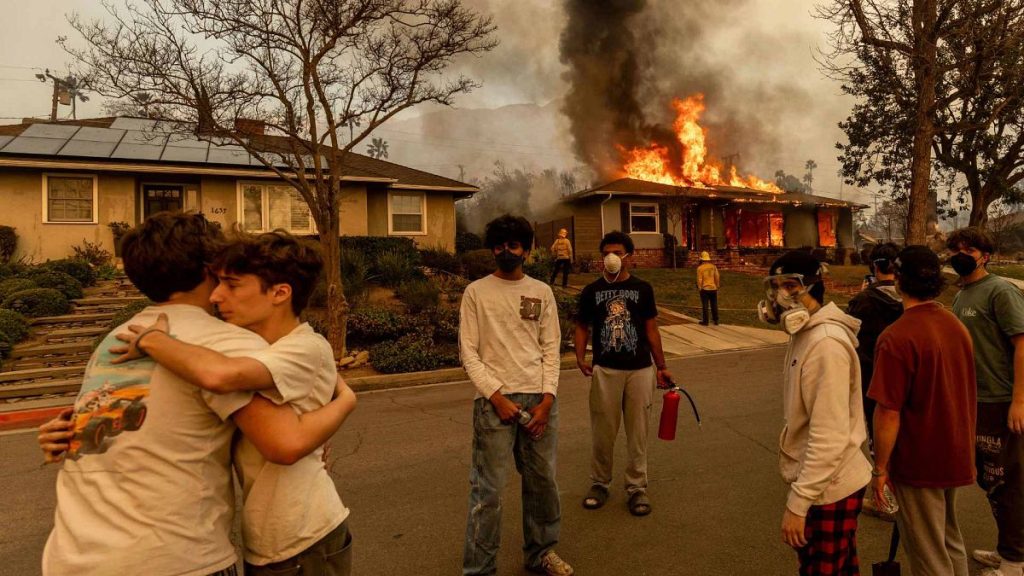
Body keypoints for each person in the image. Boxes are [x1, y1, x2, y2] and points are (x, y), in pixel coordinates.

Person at [36, 213, 352, 576]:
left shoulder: (118, 337)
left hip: (71, 555)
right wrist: (346, 401)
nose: (221, 292)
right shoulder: (228, 343)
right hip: (169, 558)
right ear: (209, 269)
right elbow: (285, 441)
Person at [459, 215, 572, 576]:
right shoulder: (476, 292)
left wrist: (548, 399)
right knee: (487, 494)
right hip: (494, 406)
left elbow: (550, 348)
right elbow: (469, 353)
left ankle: (541, 553)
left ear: (527, 249)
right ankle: (479, 569)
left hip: (539, 402)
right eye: (499, 244)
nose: (505, 251)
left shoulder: (542, 292)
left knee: (543, 486)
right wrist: (497, 397)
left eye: (513, 245)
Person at [758, 250, 872, 575]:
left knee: (821, 569)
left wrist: (799, 501)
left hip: (831, 486)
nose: (781, 295)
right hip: (825, 481)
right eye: (775, 286)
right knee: (841, 567)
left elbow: (829, 434)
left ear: (814, 286)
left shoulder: (825, 345)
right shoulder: (805, 335)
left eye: (791, 285)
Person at [868, 245, 976, 576]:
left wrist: (880, 469)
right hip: (955, 450)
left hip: (919, 459)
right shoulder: (954, 324)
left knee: (928, 554)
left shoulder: (897, 337)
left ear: (898, 280)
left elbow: (888, 411)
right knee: (948, 539)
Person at [575, 230, 672, 517]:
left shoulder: (643, 289)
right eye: (606, 253)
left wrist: (662, 366)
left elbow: (651, 329)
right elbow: (582, 326)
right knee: (603, 432)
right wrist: (581, 357)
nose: (611, 258)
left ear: (629, 255)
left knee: (638, 432)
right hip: (605, 370)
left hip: (640, 370)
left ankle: (636, 487)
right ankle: (600, 483)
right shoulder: (591, 291)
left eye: (617, 252)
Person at [947, 227, 1024, 576]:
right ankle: (1008, 549)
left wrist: (1019, 401)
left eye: (968, 249)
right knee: (992, 481)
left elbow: (1022, 345)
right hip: (974, 402)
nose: (960, 254)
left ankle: (1014, 562)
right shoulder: (962, 295)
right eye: (955, 248)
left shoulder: (1000, 291)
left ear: (985, 255)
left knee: (1007, 481)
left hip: (1001, 400)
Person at [845, 242, 903, 442]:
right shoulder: (910, 299)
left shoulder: (863, 301)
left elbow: (849, 335)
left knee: (878, 435)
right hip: (905, 378)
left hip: (872, 379)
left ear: (874, 268)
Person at [695, 251, 720, 326]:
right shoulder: (713, 267)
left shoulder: (700, 268)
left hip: (705, 289)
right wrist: (717, 285)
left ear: (702, 259)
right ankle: (716, 320)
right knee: (714, 304)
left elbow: (699, 279)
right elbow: (717, 276)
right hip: (713, 288)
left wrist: (699, 287)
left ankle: (705, 321)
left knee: (705, 305)